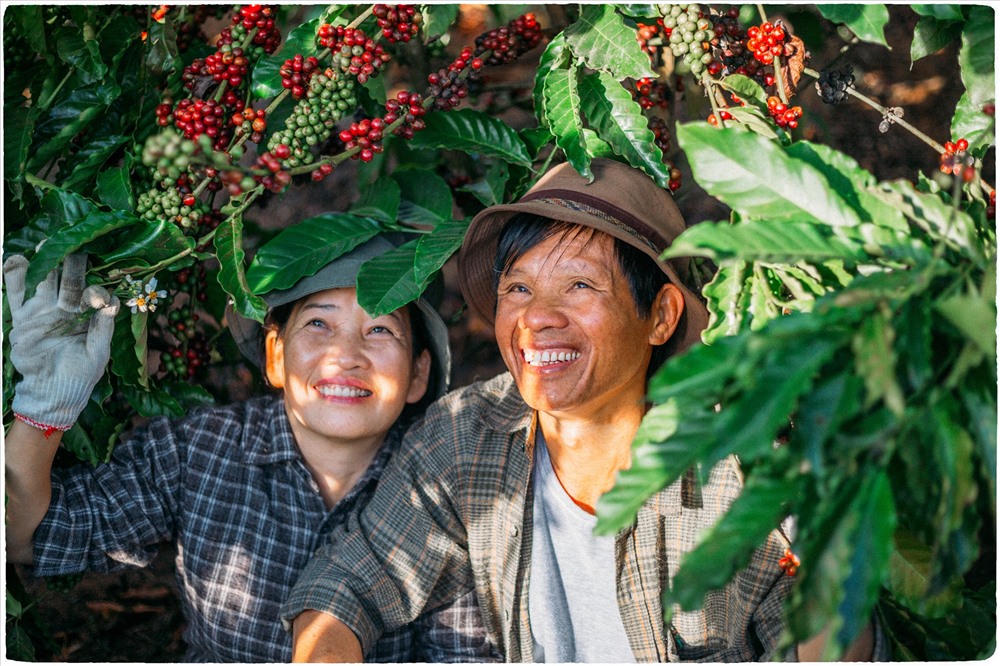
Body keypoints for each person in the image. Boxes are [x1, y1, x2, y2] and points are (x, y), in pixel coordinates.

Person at [281, 159, 883, 662]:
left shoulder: (747, 463)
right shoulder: (467, 435)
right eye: (518, 288)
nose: (536, 317)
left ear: (661, 316)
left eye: (580, 286)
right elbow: (348, 585)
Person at [3, 236, 494, 662]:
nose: (346, 355)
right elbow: (26, 538)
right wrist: (44, 410)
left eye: (380, 330)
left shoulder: (446, 490)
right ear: (275, 357)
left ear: (419, 375)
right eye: (319, 324)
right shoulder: (199, 450)